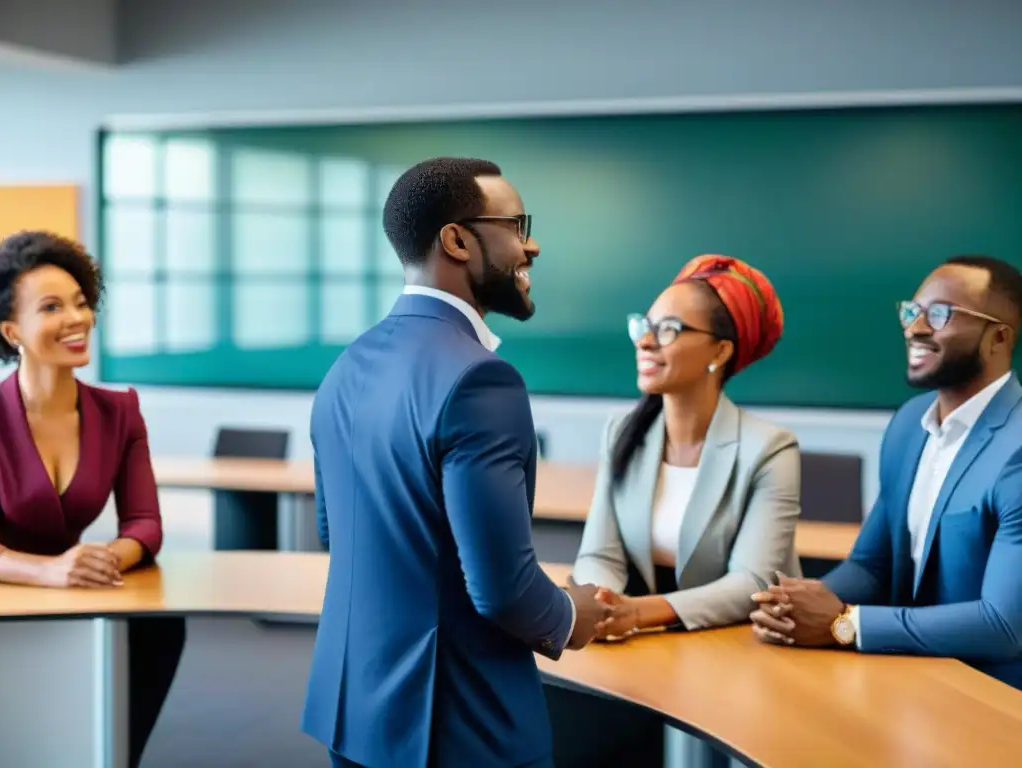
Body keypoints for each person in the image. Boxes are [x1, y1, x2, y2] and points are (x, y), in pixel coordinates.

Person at [301, 157, 610, 768]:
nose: (533, 245)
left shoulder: (347, 366)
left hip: (352, 707)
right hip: (457, 723)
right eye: (517, 225)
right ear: (457, 240)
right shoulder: (481, 380)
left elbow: (337, 532)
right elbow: (502, 589)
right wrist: (575, 614)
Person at [553, 254, 801, 767]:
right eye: (643, 326)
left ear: (720, 351)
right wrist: (603, 602)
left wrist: (635, 613)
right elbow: (601, 551)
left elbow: (752, 581)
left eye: (668, 329)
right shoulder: (623, 432)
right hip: (653, 651)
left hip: (743, 651)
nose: (645, 340)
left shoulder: (769, 448)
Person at [750, 255, 1022, 690]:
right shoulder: (908, 424)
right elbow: (872, 564)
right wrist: (797, 606)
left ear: (998, 338)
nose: (914, 328)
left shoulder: (1017, 448)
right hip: (906, 676)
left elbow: (1004, 625)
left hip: (991, 698)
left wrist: (846, 624)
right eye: (912, 312)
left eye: (940, 315)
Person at [0, 231, 186, 767]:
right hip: (9, 590)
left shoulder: (119, 410)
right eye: (52, 307)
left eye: (82, 302)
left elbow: (146, 523)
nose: (77, 318)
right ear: (12, 331)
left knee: (159, 628)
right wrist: (50, 571)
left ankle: (113, 755)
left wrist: (103, 558)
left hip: (74, 586)